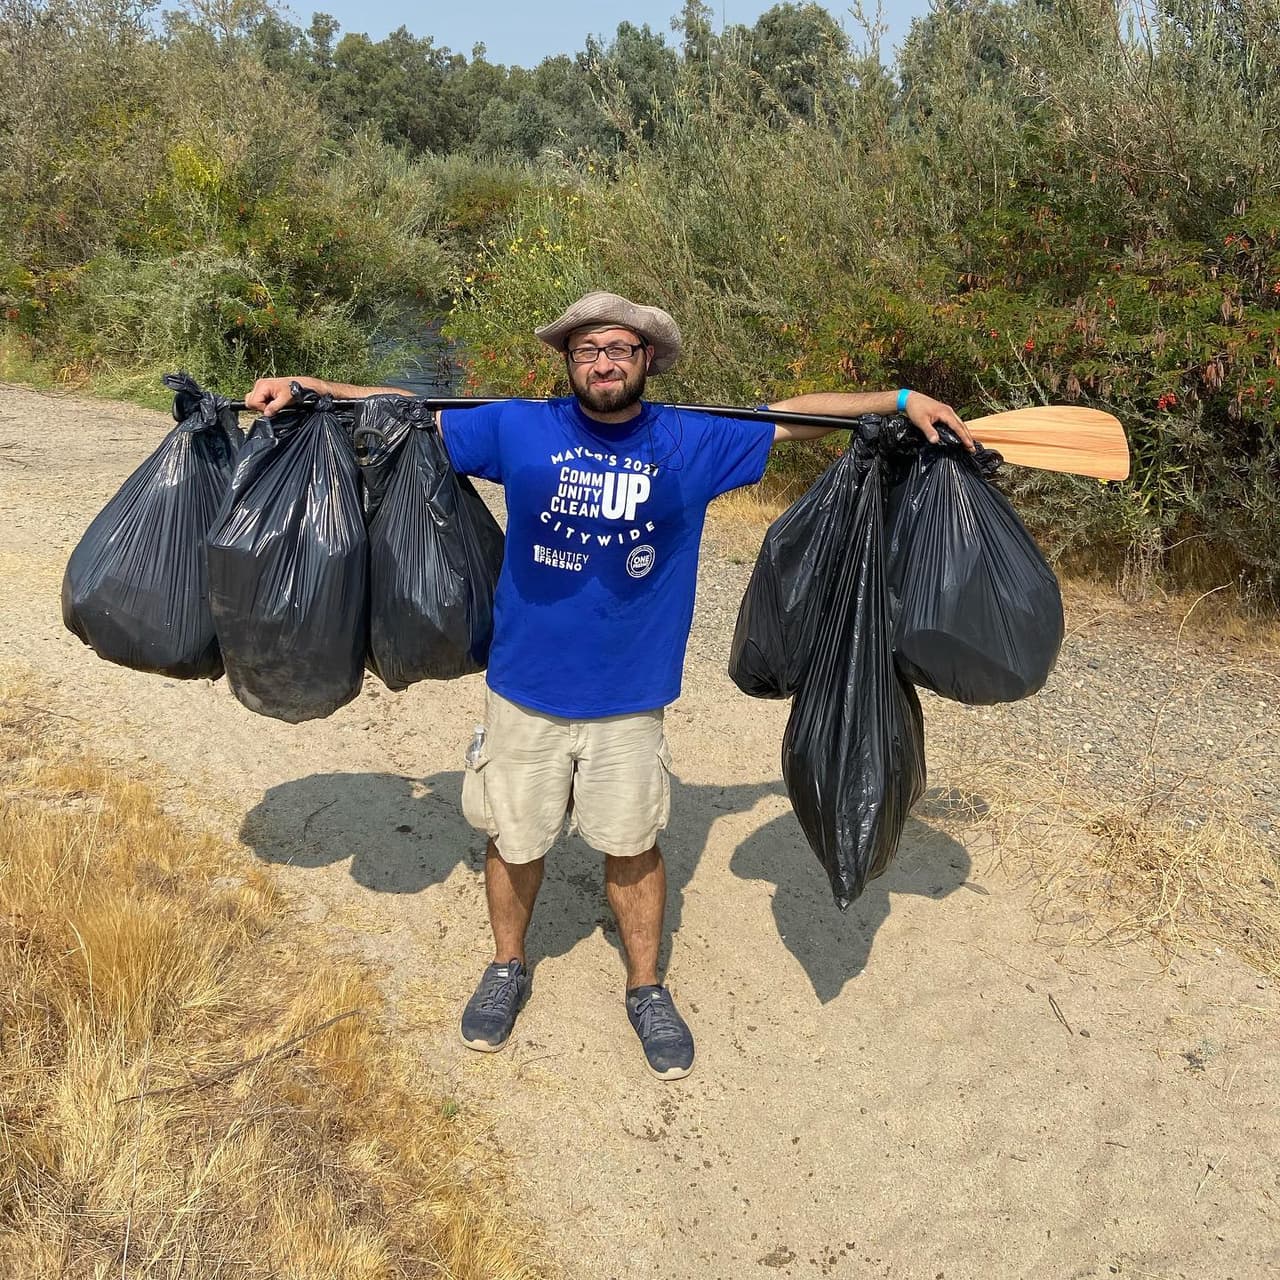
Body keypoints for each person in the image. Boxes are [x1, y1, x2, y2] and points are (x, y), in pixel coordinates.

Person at [245, 290, 973, 1081]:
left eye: (619, 348)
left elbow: (791, 418)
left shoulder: (691, 439)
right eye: (587, 349)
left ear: (646, 358)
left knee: (632, 846)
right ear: (568, 360)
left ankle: (646, 985)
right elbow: (408, 411)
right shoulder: (519, 426)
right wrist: (311, 388)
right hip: (523, 687)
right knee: (514, 840)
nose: (603, 363)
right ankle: (507, 965)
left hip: (630, 696)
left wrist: (903, 398)